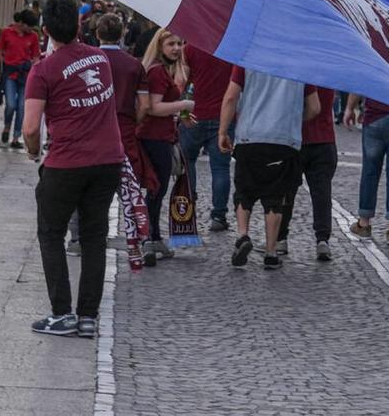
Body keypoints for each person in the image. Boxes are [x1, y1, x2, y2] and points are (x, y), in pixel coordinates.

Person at [22, 0, 123, 338]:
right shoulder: (100, 60)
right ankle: (88, 317)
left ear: (45, 29)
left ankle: (62, 313)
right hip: (108, 159)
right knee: (95, 237)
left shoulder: (43, 70)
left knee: (51, 233)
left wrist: (34, 153)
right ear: (80, 25)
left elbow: (31, 127)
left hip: (66, 163)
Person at [218, 67, 320, 269]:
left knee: (244, 191)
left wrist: (222, 131)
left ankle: (242, 234)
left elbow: (231, 97)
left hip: (250, 136)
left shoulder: (246, 63)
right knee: (275, 196)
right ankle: (271, 252)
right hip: (284, 139)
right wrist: (293, 117)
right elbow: (315, 107)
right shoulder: (301, 65)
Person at [69, 14, 152, 256]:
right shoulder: (134, 65)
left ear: (97, 34)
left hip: (91, 131)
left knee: (83, 190)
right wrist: (132, 123)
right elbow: (145, 105)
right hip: (124, 133)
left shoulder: (85, 62)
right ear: (123, 33)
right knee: (129, 190)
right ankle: (139, 239)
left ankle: (77, 239)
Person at [137, 29, 194, 266]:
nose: (177, 48)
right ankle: (149, 238)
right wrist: (183, 104)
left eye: (179, 43)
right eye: (171, 44)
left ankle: (154, 236)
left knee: (157, 189)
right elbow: (153, 107)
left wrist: (182, 114)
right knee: (155, 189)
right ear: (159, 46)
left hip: (162, 136)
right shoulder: (158, 72)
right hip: (153, 137)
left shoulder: (165, 70)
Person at [344, 94, 389, 245]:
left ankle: (363, 224)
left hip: (375, 118)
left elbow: (362, 79)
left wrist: (350, 108)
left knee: (370, 172)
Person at [276, 86, 336, 261]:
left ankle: (280, 238)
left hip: (295, 138)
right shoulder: (328, 73)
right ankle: (322, 239)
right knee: (322, 194)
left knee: (287, 191)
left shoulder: (296, 72)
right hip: (324, 139)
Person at [180, 45, 233, 231]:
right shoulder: (230, 48)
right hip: (223, 116)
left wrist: (181, 112)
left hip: (193, 114)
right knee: (220, 167)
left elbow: (181, 82)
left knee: (187, 162)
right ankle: (219, 215)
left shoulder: (191, 49)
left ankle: (188, 206)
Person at [0, 10, 41, 149]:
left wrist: (36, 72)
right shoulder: (7, 32)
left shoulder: (33, 36)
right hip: (10, 74)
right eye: (29, 26)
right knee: (11, 105)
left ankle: (16, 137)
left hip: (26, 75)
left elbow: (36, 57)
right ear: (21, 23)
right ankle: (7, 127)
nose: (31, 29)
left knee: (21, 107)